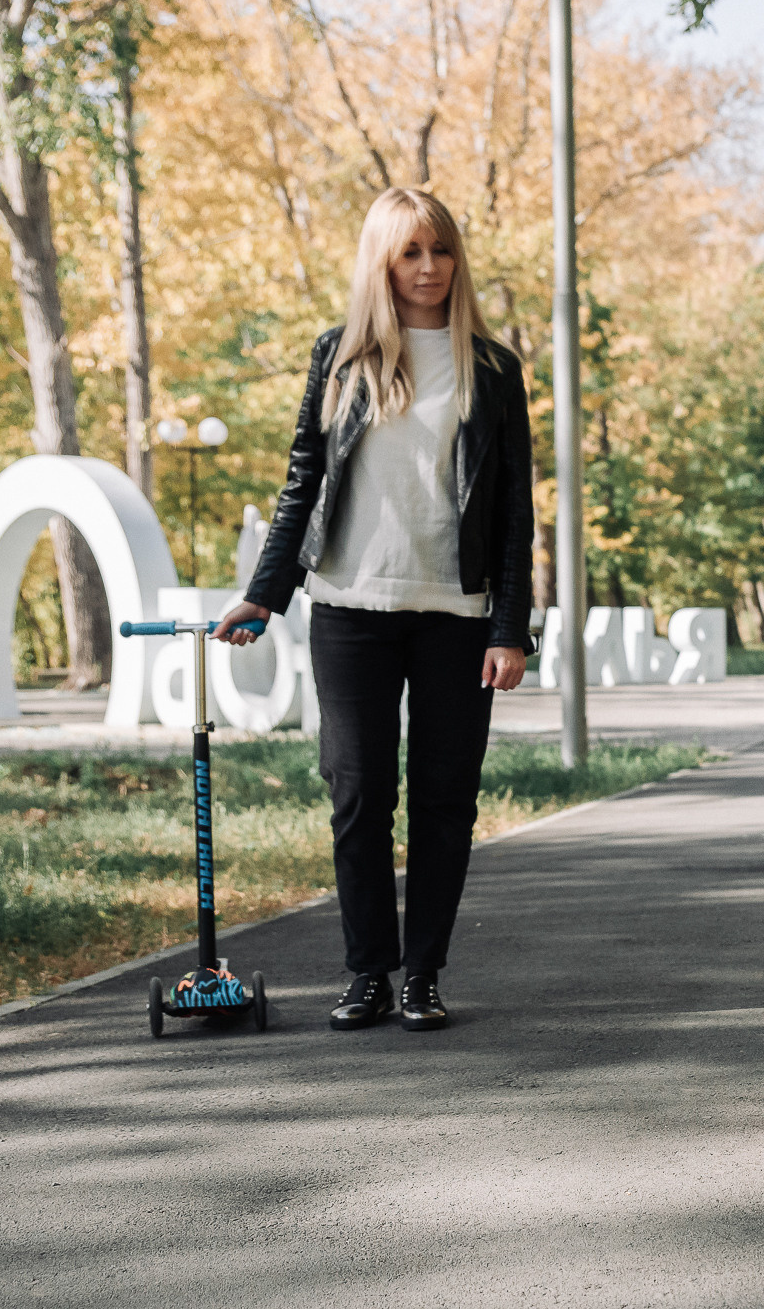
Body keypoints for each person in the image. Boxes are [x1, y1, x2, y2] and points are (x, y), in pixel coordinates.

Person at [215, 187, 536, 1034]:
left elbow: (512, 512)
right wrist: (264, 590)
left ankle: (422, 975)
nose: (429, 268)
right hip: (350, 610)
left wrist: (510, 628)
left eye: (441, 250)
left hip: (457, 615)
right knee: (357, 794)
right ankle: (367, 972)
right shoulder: (341, 357)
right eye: (409, 253)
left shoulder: (493, 368)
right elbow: (303, 486)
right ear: (382, 263)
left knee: (444, 801)